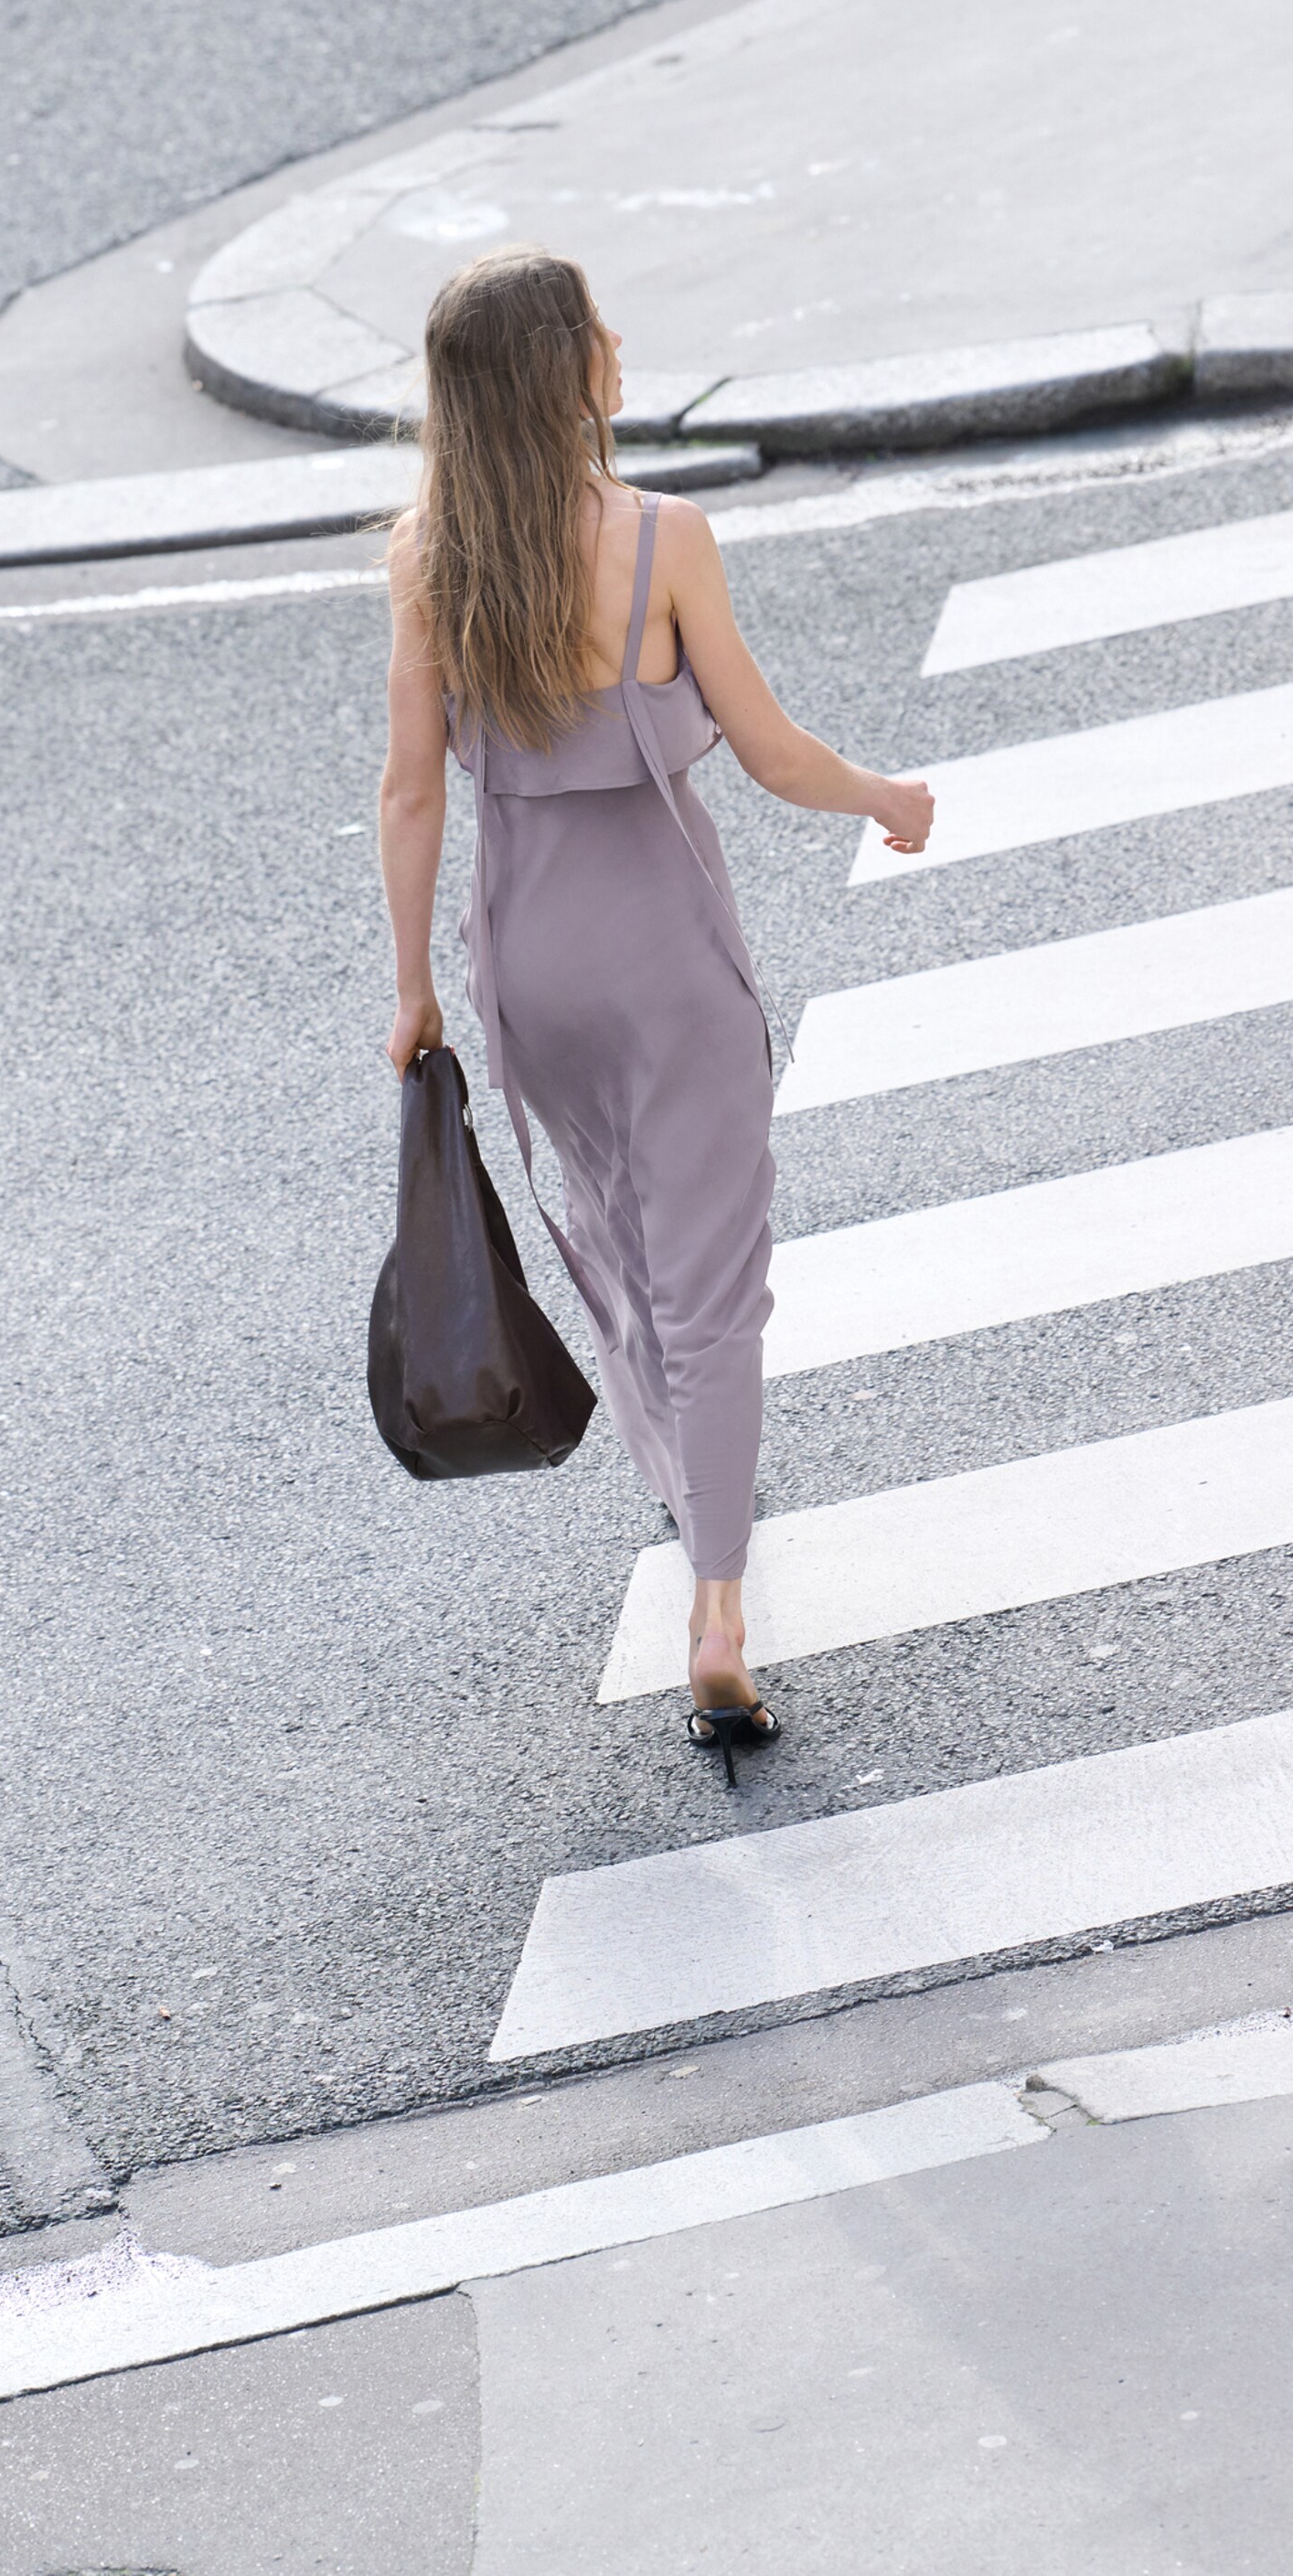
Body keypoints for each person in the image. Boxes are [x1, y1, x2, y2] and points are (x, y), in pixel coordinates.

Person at [378, 245, 933, 1774]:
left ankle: (687, 1488)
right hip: (668, 955)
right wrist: (884, 795)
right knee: (715, 1282)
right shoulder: (663, 537)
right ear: (579, 378)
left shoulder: (434, 558)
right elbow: (765, 749)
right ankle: (717, 1611)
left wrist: (415, 986)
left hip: (526, 961)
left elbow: (413, 790)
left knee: (613, 1240)